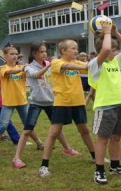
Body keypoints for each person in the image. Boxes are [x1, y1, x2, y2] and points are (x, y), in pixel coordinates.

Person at [12, 42, 81, 169]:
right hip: (36, 103)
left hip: (51, 102)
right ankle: (16, 158)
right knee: (27, 130)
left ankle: (67, 149)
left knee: (57, 129)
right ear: (34, 53)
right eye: (41, 52)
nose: (44, 54)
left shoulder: (50, 64)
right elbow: (36, 75)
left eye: (45, 51)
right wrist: (50, 65)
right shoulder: (28, 67)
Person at [38, 39, 96, 177]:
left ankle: (95, 157)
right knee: (54, 133)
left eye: (76, 48)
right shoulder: (56, 62)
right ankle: (44, 166)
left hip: (78, 102)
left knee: (85, 131)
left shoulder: (77, 63)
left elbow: (88, 67)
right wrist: (87, 66)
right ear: (63, 51)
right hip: (62, 103)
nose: (76, 51)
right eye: (73, 48)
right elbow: (69, 67)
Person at [88, 21, 121, 185]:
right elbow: (106, 49)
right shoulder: (95, 64)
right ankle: (99, 171)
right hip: (105, 107)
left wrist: (116, 33)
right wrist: (107, 33)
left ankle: (115, 166)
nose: (114, 52)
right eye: (112, 49)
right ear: (99, 51)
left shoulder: (115, 61)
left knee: (116, 138)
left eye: (115, 50)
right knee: (103, 139)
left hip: (120, 104)